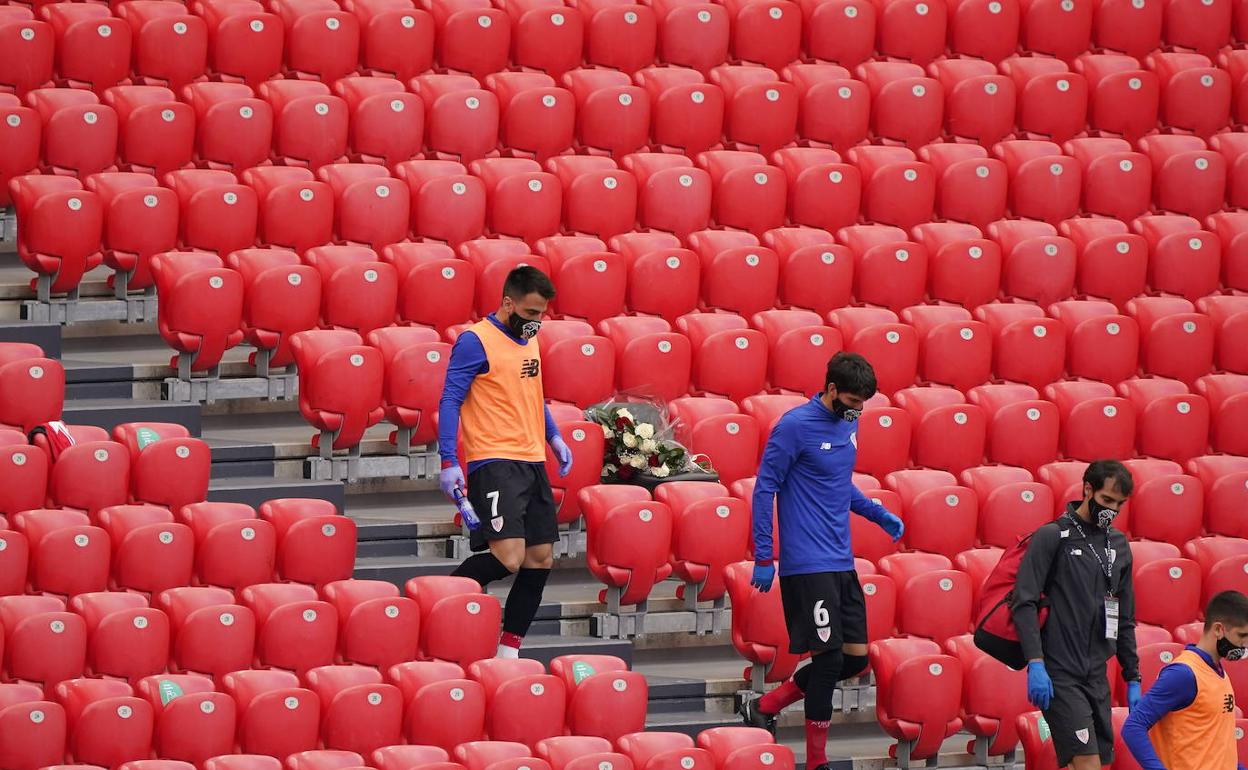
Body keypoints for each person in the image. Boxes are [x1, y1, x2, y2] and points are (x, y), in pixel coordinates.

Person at [737, 352, 905, 770]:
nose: (857, 411)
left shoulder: (850, 421)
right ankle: (816, 761)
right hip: (807, 563)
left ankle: (767, 705)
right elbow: (765, 489)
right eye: (851, 402)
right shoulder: (794, 426)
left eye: (863, 405)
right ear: (831, 389)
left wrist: (876, 512)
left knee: (855, 659)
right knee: (828, 660)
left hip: (841, 559)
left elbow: (836, 483)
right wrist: (763, 554)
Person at [437, 265, 573, 659]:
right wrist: (449, 460)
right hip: (494, 459)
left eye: (542, 315)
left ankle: (508, 652)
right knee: (508, 557)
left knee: (540, 557)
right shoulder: (475, 341)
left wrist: (553, 436)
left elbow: (533, 392)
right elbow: (450, 400)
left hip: (531, 459)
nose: (537, 322)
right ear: (508, 302)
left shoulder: (528, 340)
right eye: (531, 313)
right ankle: (439, 605)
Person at [1013, 459, 1140, 770]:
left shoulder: (1120, 546)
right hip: (1059, 673)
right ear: (1087, 489)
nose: (1112, 509)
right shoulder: (1053, 536)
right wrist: (1036, 663)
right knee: (1087, 763)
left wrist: (1132, 676)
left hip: (1097, 675)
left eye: (1119, 504)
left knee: (1098, 763)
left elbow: (1123, 617)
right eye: (1106, 500)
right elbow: (1023, 601)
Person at [1122, 590, 1248, 770]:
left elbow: (1216, 744)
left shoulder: (1219, 672)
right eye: (1242, 636)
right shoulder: (1183, 674)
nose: (1244, 645)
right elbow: (1133, 727)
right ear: (1219, 629)